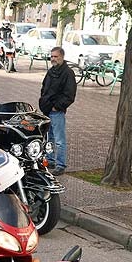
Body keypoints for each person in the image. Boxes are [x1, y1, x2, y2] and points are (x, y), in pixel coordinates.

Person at [38, 47, 77, 176]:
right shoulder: (51, 71)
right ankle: (50, 160)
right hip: (47, 109)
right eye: (52, 56)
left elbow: (70, 94)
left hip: (57, 111)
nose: (53, 59)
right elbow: (44, 87)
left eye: (56, 56)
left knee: (60, 140)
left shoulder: (68, 73)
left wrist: (57, 107)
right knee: (49, 137)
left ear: (62, 57)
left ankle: (61, 164)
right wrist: (43, 101)